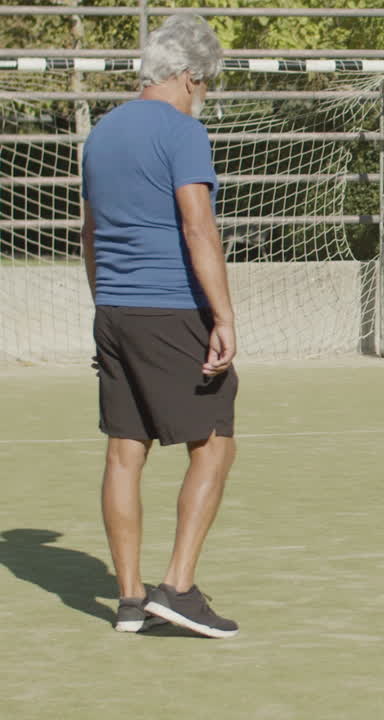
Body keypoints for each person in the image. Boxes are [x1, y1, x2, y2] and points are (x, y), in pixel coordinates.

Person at [80, 13, 239, 637]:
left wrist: (104, 307)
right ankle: (176, 589)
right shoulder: (180, 132)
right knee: (215, 442)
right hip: (171, 308)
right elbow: (198, 228)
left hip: (115, 309)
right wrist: (222, 316)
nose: (203, 100)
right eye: (205, 88)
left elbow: (89, 233)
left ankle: (127, 601)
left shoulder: (100, 132)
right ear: (187, 77)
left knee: (125, 451)